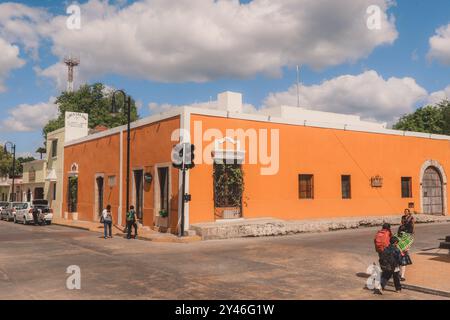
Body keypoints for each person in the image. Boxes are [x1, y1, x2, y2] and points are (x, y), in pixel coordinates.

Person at [398, 209, 415, 281]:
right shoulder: (403, 217)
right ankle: (405, 248)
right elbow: (401, 223)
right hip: (403, 230)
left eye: (406, 212)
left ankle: (406, 247)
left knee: (408, 239)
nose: (405, 212)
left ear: (408, 212)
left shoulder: (411, 217)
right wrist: (401, 227)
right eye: (404, 211)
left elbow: (413, 224)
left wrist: (413, 230)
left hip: (409, 230)